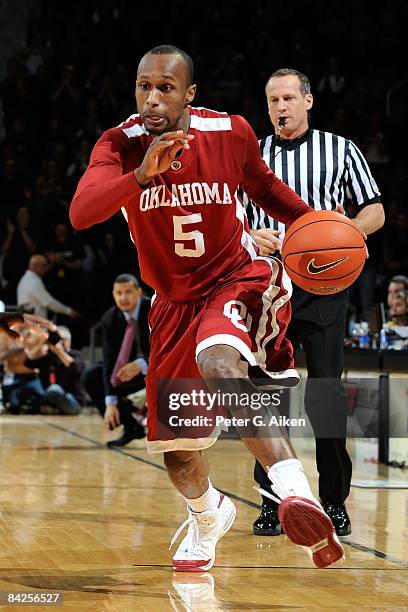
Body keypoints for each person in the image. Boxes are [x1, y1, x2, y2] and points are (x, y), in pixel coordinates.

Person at [70, 45, 349, 571]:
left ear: (189, 95)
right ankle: (208, 515)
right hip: (171, 303)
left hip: (233, 278)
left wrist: (316, 226)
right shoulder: (119, 144)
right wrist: (138, 178)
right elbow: (82, 211)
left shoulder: (230, 132)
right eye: (143, 87)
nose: (152, 99)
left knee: (220, 363)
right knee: (179, 456)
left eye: (166, 88)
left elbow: (266, 188)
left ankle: (297, 494)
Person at [245, 68, 384, 537]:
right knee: (268, 396)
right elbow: (226, 216)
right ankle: (273, 502)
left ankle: (333, 502)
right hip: (267, 286)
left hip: (324, 287)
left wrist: (345, 234)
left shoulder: (341, 149)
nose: (280, 107)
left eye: (287, 98)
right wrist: (247, 232)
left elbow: (375, 209)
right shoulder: (253, 154)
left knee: (326, 395)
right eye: (272, 100)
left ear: (307, 101)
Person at [82, 274, 149, 446]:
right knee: (91, 375)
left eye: (128, 292)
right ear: (113, 295)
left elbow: (168, 348)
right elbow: (109, 360)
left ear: (139, 292)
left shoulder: (154, 309)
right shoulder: (110, 318)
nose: (123, 298)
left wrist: (141, 364)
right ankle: (132, 426)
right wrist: (110, 402)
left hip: (160, 369)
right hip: (129, 374)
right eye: (119, 293)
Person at [17, 254, 80, 319]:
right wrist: (69, 311)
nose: (46, 268)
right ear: (35, 266)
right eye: (43, 265)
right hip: (33, 325)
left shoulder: (26, 278)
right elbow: (48, 302)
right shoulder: (33, 281)